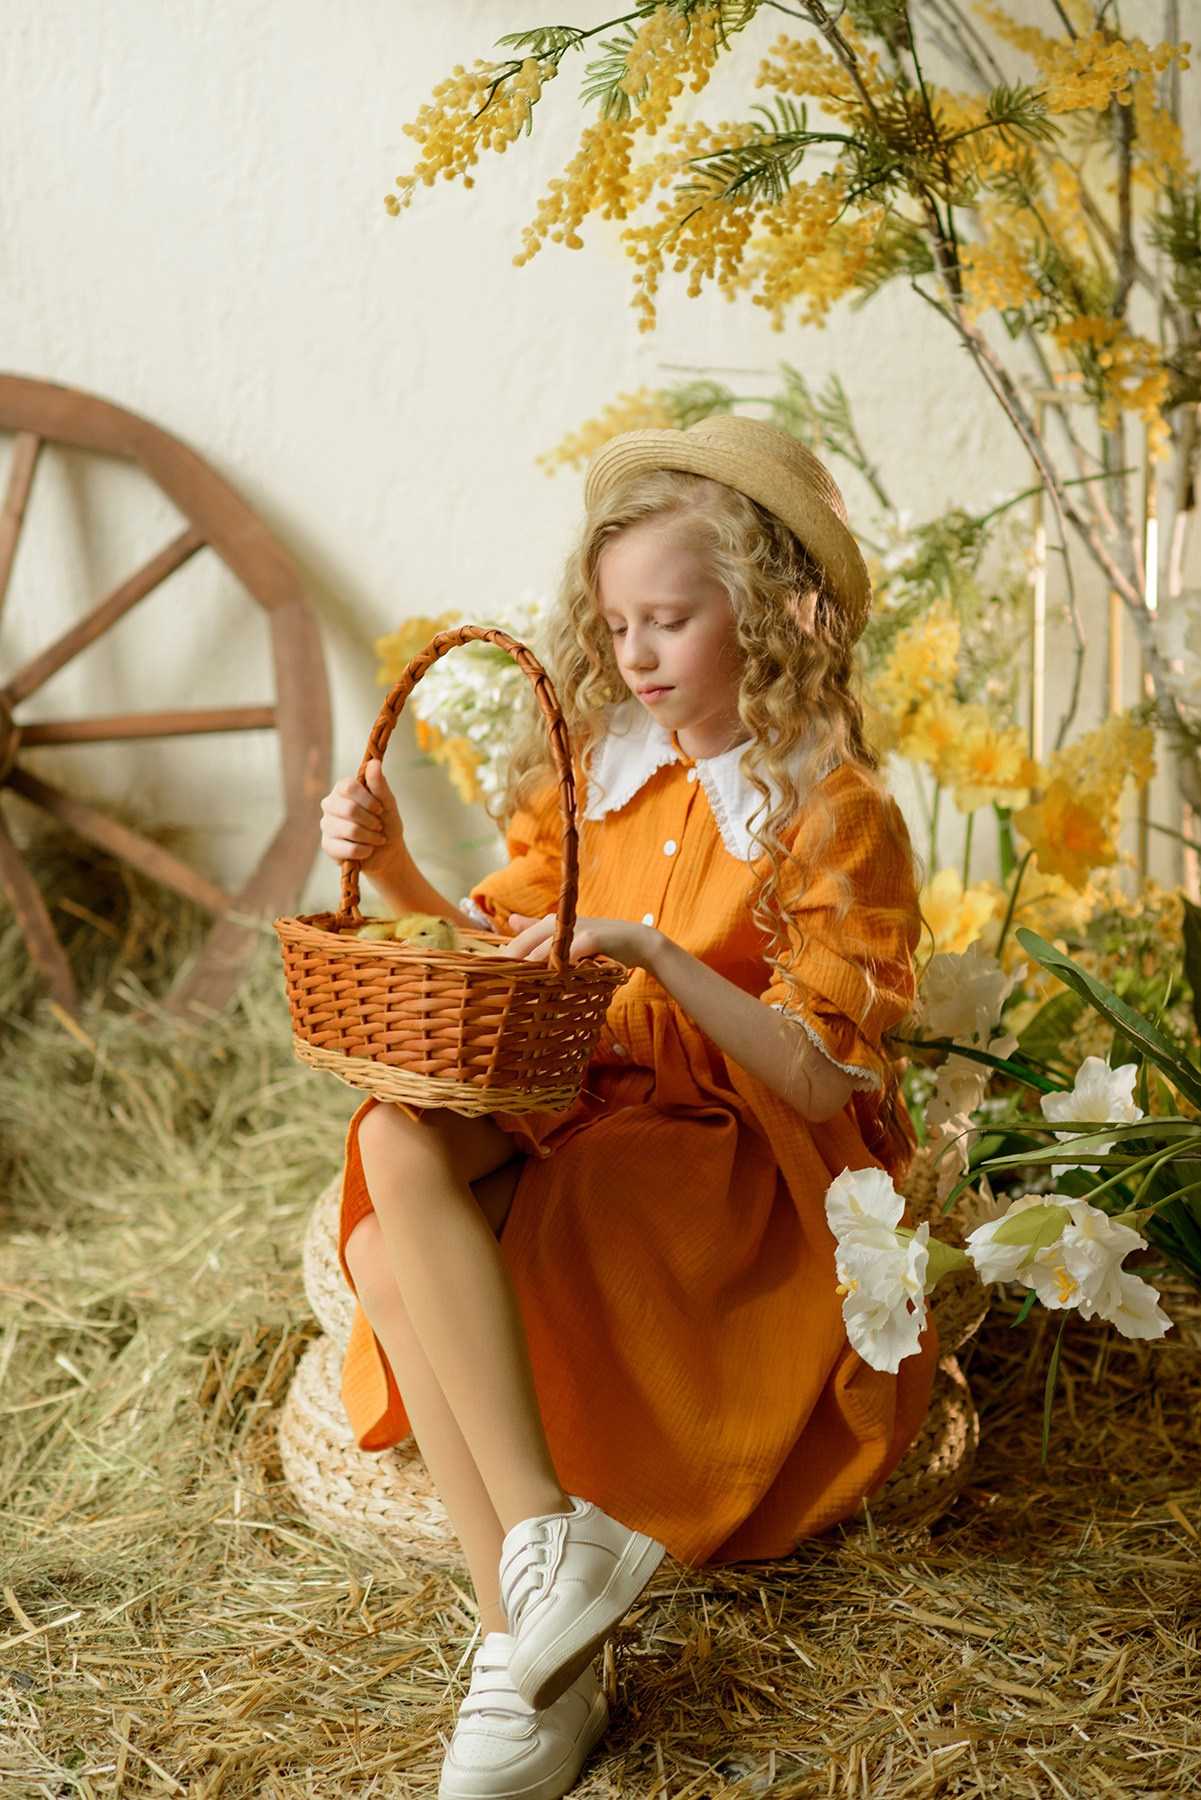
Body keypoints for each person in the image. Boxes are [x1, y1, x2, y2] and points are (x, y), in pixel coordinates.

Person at [318, 415, 938, 1800]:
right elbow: (508, 961)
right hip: (574, 1076)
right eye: (618, 623)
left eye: (671, 618)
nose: (640, 654)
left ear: (768, 618)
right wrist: (404, 867)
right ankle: (542, 1554)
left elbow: (817, 1070)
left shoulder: (826, 810)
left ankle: (522, 1664)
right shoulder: (600, 767)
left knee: (486, 1228)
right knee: (388, 1143)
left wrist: (658, 955)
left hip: (739, 1131)